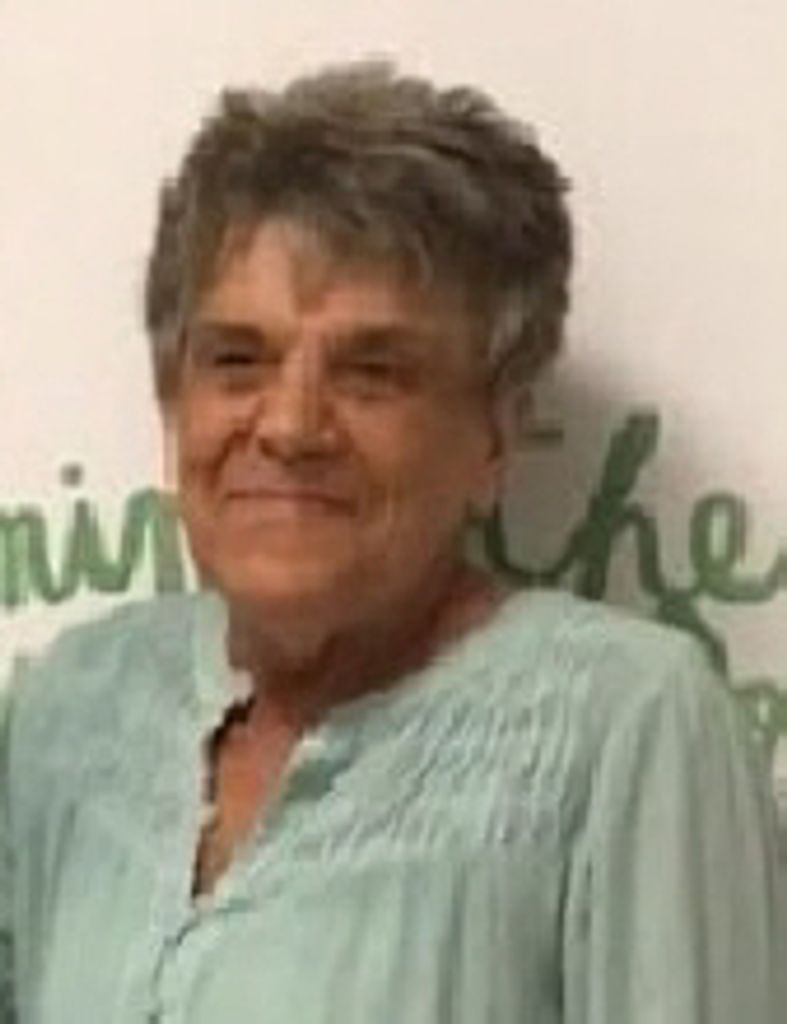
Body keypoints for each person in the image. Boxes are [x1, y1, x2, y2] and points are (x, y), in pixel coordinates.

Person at [1, 61, 783, 1024]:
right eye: (238, 360)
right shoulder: (76, 708)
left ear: (495, 432)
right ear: (174, 398)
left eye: (372, 373)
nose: (290, 425)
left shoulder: (630, 730)